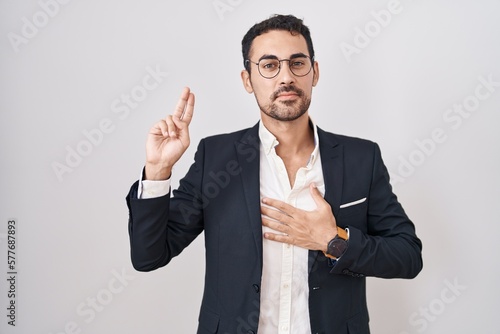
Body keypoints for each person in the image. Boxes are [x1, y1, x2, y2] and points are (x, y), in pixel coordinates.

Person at [126, 14, 423, 334]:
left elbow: (407, 256)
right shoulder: (217, 158)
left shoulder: (361, 158)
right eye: (269, 65)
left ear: (315, 72)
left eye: (297, 63)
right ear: (247, 79)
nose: (286, 77)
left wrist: (333, 241)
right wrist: (158, 171)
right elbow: (149, 256)